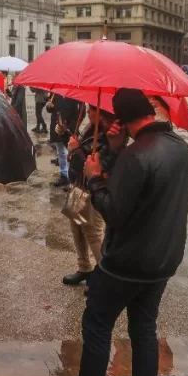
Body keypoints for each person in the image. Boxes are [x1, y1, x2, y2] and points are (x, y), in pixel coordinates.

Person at [35, 89, 188, 376]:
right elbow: (149, 195)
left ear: (120, 120)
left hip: (126, 262)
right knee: (143, 331)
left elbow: (114, 212)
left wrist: (93, 176)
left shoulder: (137, 155)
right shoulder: (179, 147)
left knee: (97, 326)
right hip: (162, 260)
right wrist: (120, 150)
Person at [62, 105, 120, 287]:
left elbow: (97, 165)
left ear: (103, 113)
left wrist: (75, 149)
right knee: (76, 227)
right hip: (78, 185)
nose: (87, 112)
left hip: (94, 189)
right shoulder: (90, 128)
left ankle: (105, 279)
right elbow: (79, 152)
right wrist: (68, 139)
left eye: (92, 109)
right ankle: (84, 268)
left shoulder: (112, 135)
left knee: (93, 232)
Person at [49, 94, 81, 188]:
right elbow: (51, 109)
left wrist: (73, 126)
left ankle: (71, 178)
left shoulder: (74, 94)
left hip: (69, 127)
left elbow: (79, 113)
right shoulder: (55, 93)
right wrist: (49, 106)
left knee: (70, 153)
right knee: (61, 153)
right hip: (57, 126)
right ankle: (64, 175)